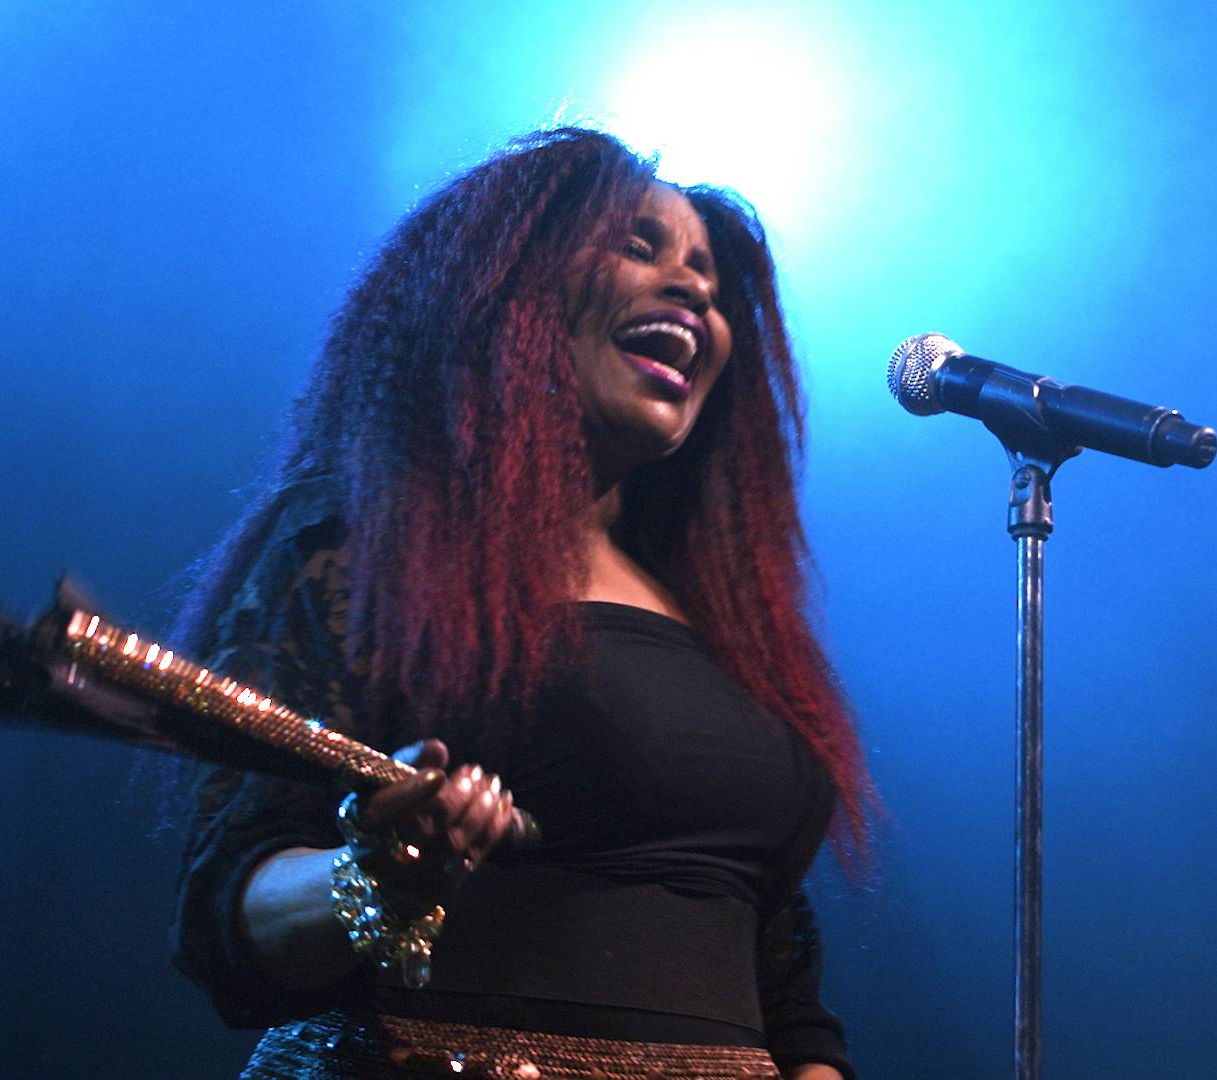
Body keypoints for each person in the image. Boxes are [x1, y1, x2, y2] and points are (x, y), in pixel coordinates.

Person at [167, 128, 870, 1080]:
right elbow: (232, 911)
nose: (695, 286)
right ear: (508, 291)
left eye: (706, 271)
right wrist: (370, 877)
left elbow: (779, 980)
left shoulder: (723, 622)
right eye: (638, 245)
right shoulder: (364, 541)